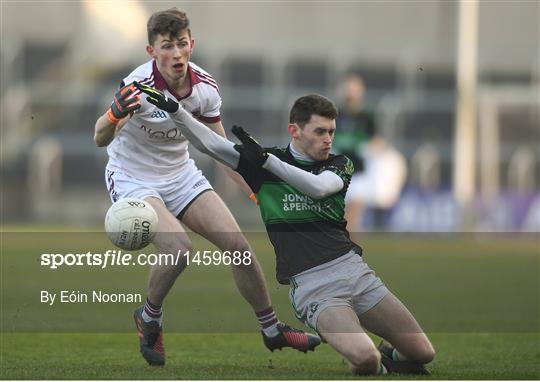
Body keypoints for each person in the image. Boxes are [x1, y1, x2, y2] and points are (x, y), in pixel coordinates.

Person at [134, 83, 436, 375]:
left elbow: (317, 188)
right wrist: (176, 111)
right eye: (319, 131)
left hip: (356, 274)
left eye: (331, 131)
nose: (328, 139)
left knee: (423, 353)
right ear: (295, 130)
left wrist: (267, 162)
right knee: (366, 359)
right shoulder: (261, 165)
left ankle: (388, 354)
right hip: (315, 288)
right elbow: (210, 143)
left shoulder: (338, 164)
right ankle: (368, 356)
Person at [93, 8, 320, 366]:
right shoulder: (136, 87)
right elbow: (100, 138)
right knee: (179, 247)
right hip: (133, 177)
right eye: (167, 46)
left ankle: (271, 329)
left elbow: (220, 151)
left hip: (181, 174)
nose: (177, 54)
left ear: (192, 44)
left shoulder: (205, 90)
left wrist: (258, 193)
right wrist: (111, 115)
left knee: (239, 248)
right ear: (152, 51)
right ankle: (149, 318)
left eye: (182, 44)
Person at [334, 74, 406, 232]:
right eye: (348, 90)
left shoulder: (366, 118)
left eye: (354, 90)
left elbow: (377, 142)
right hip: (337, 173)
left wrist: (365, 147)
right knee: (340, 217)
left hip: (358, 173)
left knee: (353, 218)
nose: (351, 94)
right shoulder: (335, 116)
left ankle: (351, 253)